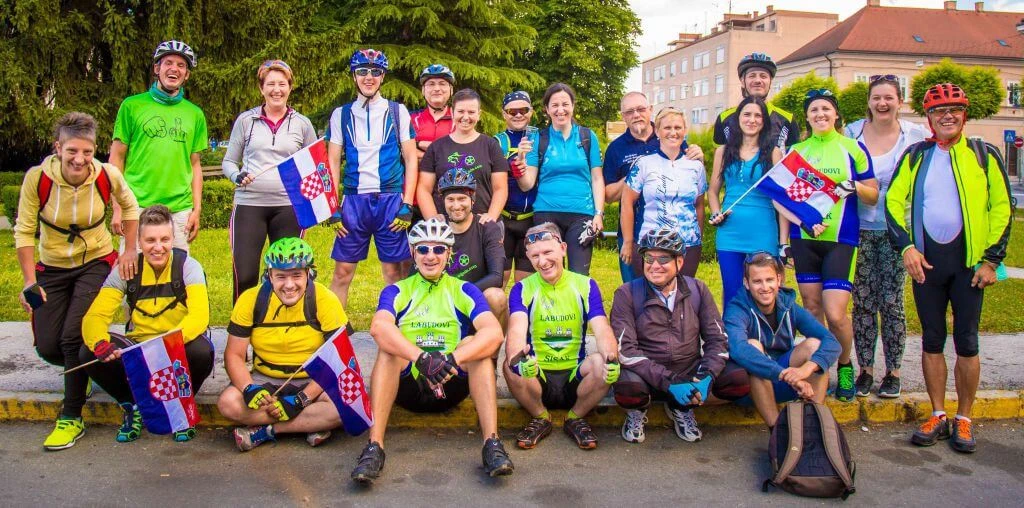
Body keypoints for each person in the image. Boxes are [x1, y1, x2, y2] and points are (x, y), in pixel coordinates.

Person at [886, 83, 1012, 454]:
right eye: (940, 111)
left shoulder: (983, 154)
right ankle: (938, 412)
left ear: (964, 115)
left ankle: (966, 418)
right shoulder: (916, 155)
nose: (947, 116)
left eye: (955, 110)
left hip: (970, 264)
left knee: (968, 341)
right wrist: (906, 247)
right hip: (928, 263)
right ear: (928, 118)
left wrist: (992, 260)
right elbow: (894, 202)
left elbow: (1002, 208)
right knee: (932, 338)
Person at [350, 218, 513, 484]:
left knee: (476, 348)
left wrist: (452, 359)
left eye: (438, 249)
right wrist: (422, 358)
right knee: (390, 350)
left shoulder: (464, 289)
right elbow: (379, 328)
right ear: (413, 253)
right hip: (410, 384)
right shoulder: (397, 290)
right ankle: (374, 446)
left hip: (450, 381)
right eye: (423, 249)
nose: (430, 256)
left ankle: (492, 444)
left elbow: (494, 333)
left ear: (449, 254)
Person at [14, 112, 140, 450]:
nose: (79, 159)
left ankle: (71, 416)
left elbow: (131, 209)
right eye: (72, 151)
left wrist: (129, 251)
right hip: (52, 267)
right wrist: (30, 281)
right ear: (58, 147)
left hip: (96, 261)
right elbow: (24, 231)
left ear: (94, 149)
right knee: (49, 345)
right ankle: (89, 363)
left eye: (86, 151)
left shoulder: (106, 174)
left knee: (73, 336)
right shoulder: (37, 179)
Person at [80, 205, 213, 443]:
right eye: (150, 240)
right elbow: (95, 316)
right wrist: (99, 342)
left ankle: (181, 406)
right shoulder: (126, 269)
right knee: (87, 352)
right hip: (138, 347)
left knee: (203, 350)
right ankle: (132, 406)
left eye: (164, 239)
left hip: (175, 347)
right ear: (139, 242)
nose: (158, 247)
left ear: (173, 239)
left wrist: (166, 345)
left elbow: (200, 317)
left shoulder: (188, 267)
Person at [612, 228, 749, 443]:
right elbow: (626, 351)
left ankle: (681, 405)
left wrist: (707, 376)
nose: (654, 265)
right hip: (647, 376)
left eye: (664, 258)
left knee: (737, 380)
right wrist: (670, 382)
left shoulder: (698, 290)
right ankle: (638, 411)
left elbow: (717, 339)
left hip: (688, 369)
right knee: (628, 390)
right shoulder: (627, 293)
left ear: (680, 262)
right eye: (649, 258)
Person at [217, 238, 352, 452]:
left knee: (346, 403)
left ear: (309, 274)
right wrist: (248, 387)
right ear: (269, 275)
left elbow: (340, 360)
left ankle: (266, 430)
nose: (289, 285)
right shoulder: (250, 300)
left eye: (297, 275)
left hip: (314, 377)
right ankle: (309, 424)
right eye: (280, 276)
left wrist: (301, 399)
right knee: (227, 403)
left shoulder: (325, 299)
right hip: (265, 378)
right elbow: (234, 354)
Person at [788, 89, 878, 403]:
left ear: (836, 115)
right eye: (814, 110)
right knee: (812, 310)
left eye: (826, 109)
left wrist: (854, 186)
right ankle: (819, 368)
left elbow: (873, 194)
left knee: (836, 314)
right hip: (805, 239)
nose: (820, 114)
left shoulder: (853, 148)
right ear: (808, 116)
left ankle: (844, 364)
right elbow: (789, 198)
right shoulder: (798, 150)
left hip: (841, 239)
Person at [843, 75, 928, 398]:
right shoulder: (852, 133)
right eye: (876, 97)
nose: (882, 103)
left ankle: (893, 371)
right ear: (869, 101)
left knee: (892, 303)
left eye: (889, 98)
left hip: (897, 231)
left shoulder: (916, 136)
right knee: (862, 302)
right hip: (859, 227)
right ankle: (865, 370)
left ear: (899, 101)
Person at [503, 222, 619, 450]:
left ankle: (575, 417)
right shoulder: (522, 288)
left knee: (601, 362)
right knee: (510, 365)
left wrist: (611, 358)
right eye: (535, 256)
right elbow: (516, 330)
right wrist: (518, 362)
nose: (542, 261)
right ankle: (540, 417)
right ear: (528, 257)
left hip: (575, 378)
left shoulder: (585, 285)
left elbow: (602, 328)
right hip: (538, 377)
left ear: (563, 249)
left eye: (548, 252)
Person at [326, 49, 418, 308]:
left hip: (390, 200)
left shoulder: (398, 111)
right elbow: (333, 161)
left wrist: (407, 204)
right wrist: (333, 205)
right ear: (354, 76)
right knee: (342, 272)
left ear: (383, 76)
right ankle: (336, 333)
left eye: (375, 72)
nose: (369, 77)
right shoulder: (340, 114)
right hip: (353, 201)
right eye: (362, 71)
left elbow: (411, 158)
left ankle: (398, 329)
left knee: (393, 274)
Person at [222, 59, 318, 301]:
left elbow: (316, 166)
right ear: (261, 88)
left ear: (290, 87)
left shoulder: (302, 124)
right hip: (249, 205)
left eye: (282, 84)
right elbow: (229, 162)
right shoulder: (246, 121)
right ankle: (243, 329)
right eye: (271, 84)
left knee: (287, 274)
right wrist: (237, 175)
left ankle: (281, 326)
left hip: (289, 207)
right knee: (245, 274)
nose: (277, 89)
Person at [109, 40, 207, 251]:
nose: (174, 69)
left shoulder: (195, 114)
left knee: (177, 275)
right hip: (136, 206)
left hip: (179, 209)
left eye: (181, 65)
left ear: (187, 74)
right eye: (168, 63)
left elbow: (195, 165)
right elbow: (116, 158)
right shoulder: (132, 106)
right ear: (157, 69)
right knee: (133, 272)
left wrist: (196, 210)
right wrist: (117, 207)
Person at [724, 252, 841, 428]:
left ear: (779, 280)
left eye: (769, 280)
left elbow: (831, 341)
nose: (765, 287)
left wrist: (804, 371)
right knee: (752, 346)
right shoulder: (737, 309)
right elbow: (738, 349)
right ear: (746, 283)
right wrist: (784, 374)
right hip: (750, 388)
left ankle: (813, 423)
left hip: (787, 381)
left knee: (814, 345)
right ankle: (777, 430)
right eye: (757, 281)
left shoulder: (788, 305)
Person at [603, 91, 703, 282]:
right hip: (638, 234)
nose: (636, 115)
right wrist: (639, 176)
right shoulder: (617, 148)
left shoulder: (671, 138)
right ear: (623, 115)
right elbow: (609, 195)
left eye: (641, 109)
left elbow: (693, 187)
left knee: (681, 290)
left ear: (650, 110)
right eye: (630, 111)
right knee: (636, 288)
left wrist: (698, 156)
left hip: (681, 236)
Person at [516, 83, 605, 276]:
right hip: (546, 213)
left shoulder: (588, 137)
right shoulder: (539, 139)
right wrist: (520, 162)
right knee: (549, 273)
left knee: (579, 275)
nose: (560, 110)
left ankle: (578, 307)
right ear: (547, 109)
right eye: (554, 105)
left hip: (582, 214)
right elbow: (527, 184)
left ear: (573, 106)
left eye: (565, 104)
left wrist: (598, 213)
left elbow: (597, 178)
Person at [708, 96, 786, 308]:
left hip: (763, 231)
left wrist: (783, 242)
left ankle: (763, 339)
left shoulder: (773, 152)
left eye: (757, 115)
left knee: (763, 293)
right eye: (747, 114)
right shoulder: (722, 152)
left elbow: (782, 199)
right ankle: (734, 340)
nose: (752, 120)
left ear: (764, 121)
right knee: (733, 292)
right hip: (729, 232)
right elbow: (713, 191)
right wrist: (715, 213)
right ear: (737, 119)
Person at [417, 88, 509, 222]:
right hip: (446, 225)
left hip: (482, 223)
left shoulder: (491, 146)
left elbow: (500, 188)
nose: (466, 117)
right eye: (460, 111)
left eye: (471, 112)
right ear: (452, 113)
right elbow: (424, 189)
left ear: (479, 114)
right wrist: (432, 219)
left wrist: (492, 217)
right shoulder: (436, 147)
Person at [438, 168, 508, 330]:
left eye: (462, 199)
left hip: (475, 296)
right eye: (450, 199)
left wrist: (461, 293)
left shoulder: (487, 227)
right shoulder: (437, 229)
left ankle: (491, 355)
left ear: (473, 200)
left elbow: (497, 277)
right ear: (443, 201)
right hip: (442, 298)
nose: (456, 205)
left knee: (496, 297)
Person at [496, 91, 539, 285]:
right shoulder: (496, 141)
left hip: (532, 220)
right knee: (498, 284)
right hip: (505, 220)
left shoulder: (540, 138)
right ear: (504, 114)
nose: (518, 115)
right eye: (512, 111)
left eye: (523, 110)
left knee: (526, 288)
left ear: (532, 112)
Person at [712, 53, 800, 149]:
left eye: (763, 76)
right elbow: (720, 159)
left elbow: (793, 159)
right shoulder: (724, 119)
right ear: (742, 81)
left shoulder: (787, 119)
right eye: (752, 76)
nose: (758, 80)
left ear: (770, 81)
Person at [411, 64, 456, 162]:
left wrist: (418, 145)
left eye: (442, 83)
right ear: (423, 90)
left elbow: (463, 151)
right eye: (431, 84)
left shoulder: (460, 119)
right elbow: (404, 151)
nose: (436, 89)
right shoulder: (410, 118)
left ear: (451, 90)